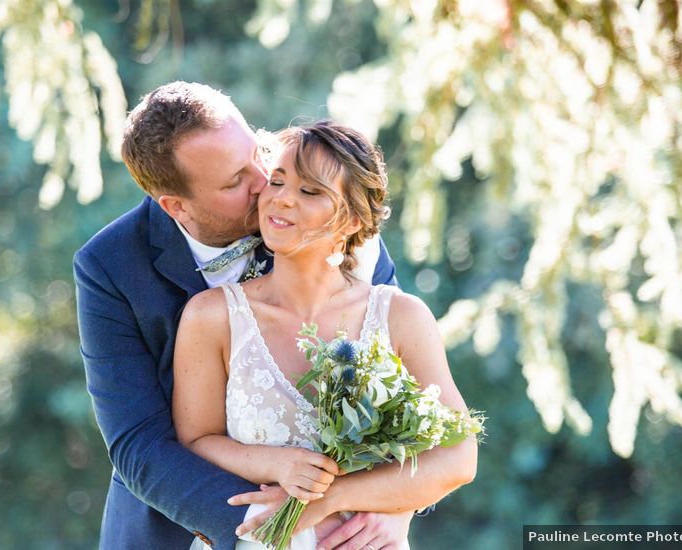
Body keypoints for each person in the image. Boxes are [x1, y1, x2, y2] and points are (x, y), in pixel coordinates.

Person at [74, 82, 410, 550]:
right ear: (176, 207)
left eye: (257, 152)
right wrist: (277, 529)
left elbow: (404, 394)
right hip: (190, 530)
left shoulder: (322, 207)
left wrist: (396, 508)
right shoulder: (110, 267)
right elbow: (139, 447)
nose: (263, 182)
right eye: (234, 181)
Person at [172, 121, 478, 550]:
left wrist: (333, 497)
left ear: (351, 218)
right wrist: (278, 464)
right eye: (277, 181)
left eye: (310, 191)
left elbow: (458, 458)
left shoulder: (401, 317)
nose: (282, 198)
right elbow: (195, 440)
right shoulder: (212, 316)